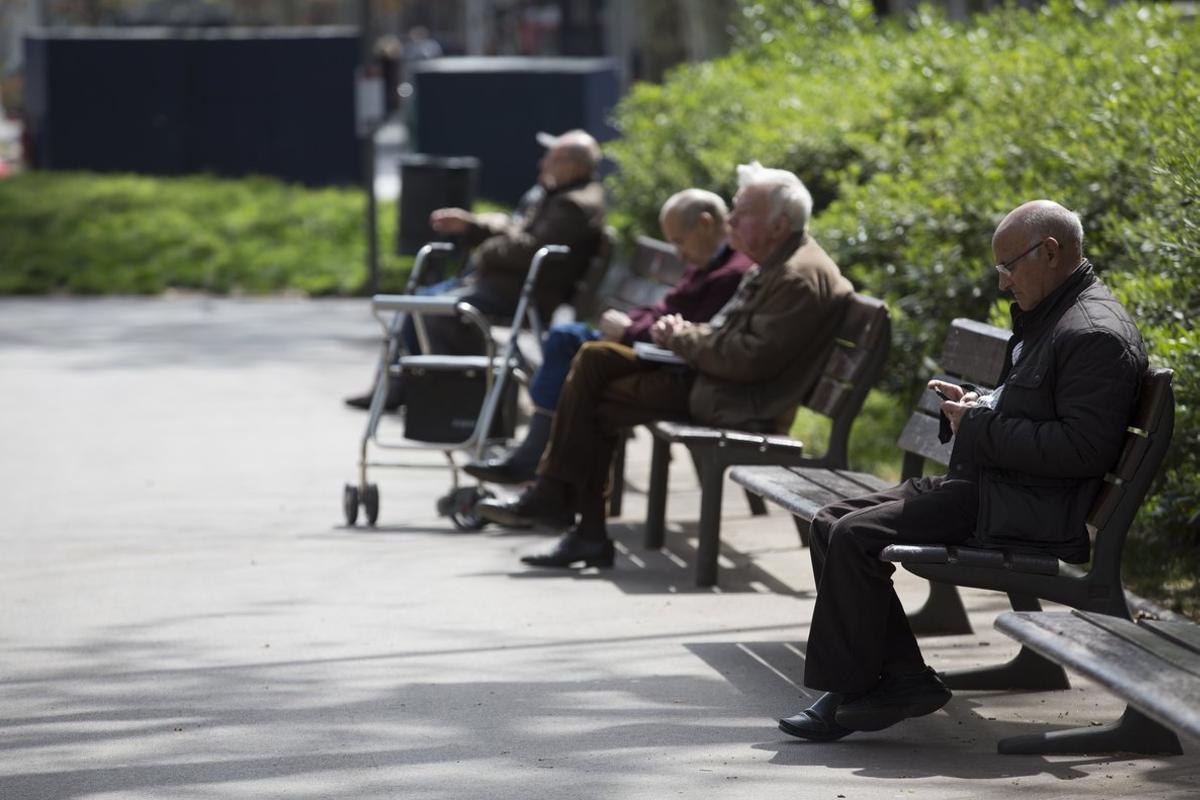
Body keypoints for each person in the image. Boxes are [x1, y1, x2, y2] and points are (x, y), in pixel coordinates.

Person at [778, 200, 1148, 742]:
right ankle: (901, 677)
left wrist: (975, 424)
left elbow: (1080, 449)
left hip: (1026, 507)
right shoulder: (1054, 315)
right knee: (831, 520)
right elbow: (1035, 405)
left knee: (856, 537)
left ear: (1050, 252)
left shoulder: (1093, 332)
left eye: (1008, 266)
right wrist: (981, 402)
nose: (1002, 283)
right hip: (994, 485)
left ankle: (862, 688)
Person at [476, 162, 853, 568]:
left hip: (739, 400)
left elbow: (746, 360)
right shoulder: (779, 261)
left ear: (778, 224)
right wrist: (686, 333)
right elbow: (731, 340)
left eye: (742, 213)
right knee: (594, 366)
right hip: (719, 385)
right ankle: (568, 514)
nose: (731, 221)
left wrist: (681, 335)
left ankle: (565, 510)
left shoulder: (796, 275)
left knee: (594, 375)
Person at [463, 188, 753, 485]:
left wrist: (628, 329)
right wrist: (629, 324)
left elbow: (687, 331)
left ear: (705, 224)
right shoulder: (707, 262)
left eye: (679, 241)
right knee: (569, 341)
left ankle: (541, 468)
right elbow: (663, 310)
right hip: (649, 349)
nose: (679, 254)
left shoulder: (729, 273)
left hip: (668, 365)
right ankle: (542, 467)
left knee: (579, 355)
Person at [345, 129, 606, 410]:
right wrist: (474, 225)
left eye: (550, 159)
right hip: (506, 285)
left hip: (518, 293)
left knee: (426, 308)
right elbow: (518, 230)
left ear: (571, 166)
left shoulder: (572, 205)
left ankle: (441, 394)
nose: (542, 164)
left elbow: (528, 248)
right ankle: (401, 387)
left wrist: (485, 249)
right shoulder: (560, 195)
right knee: (416, 303)